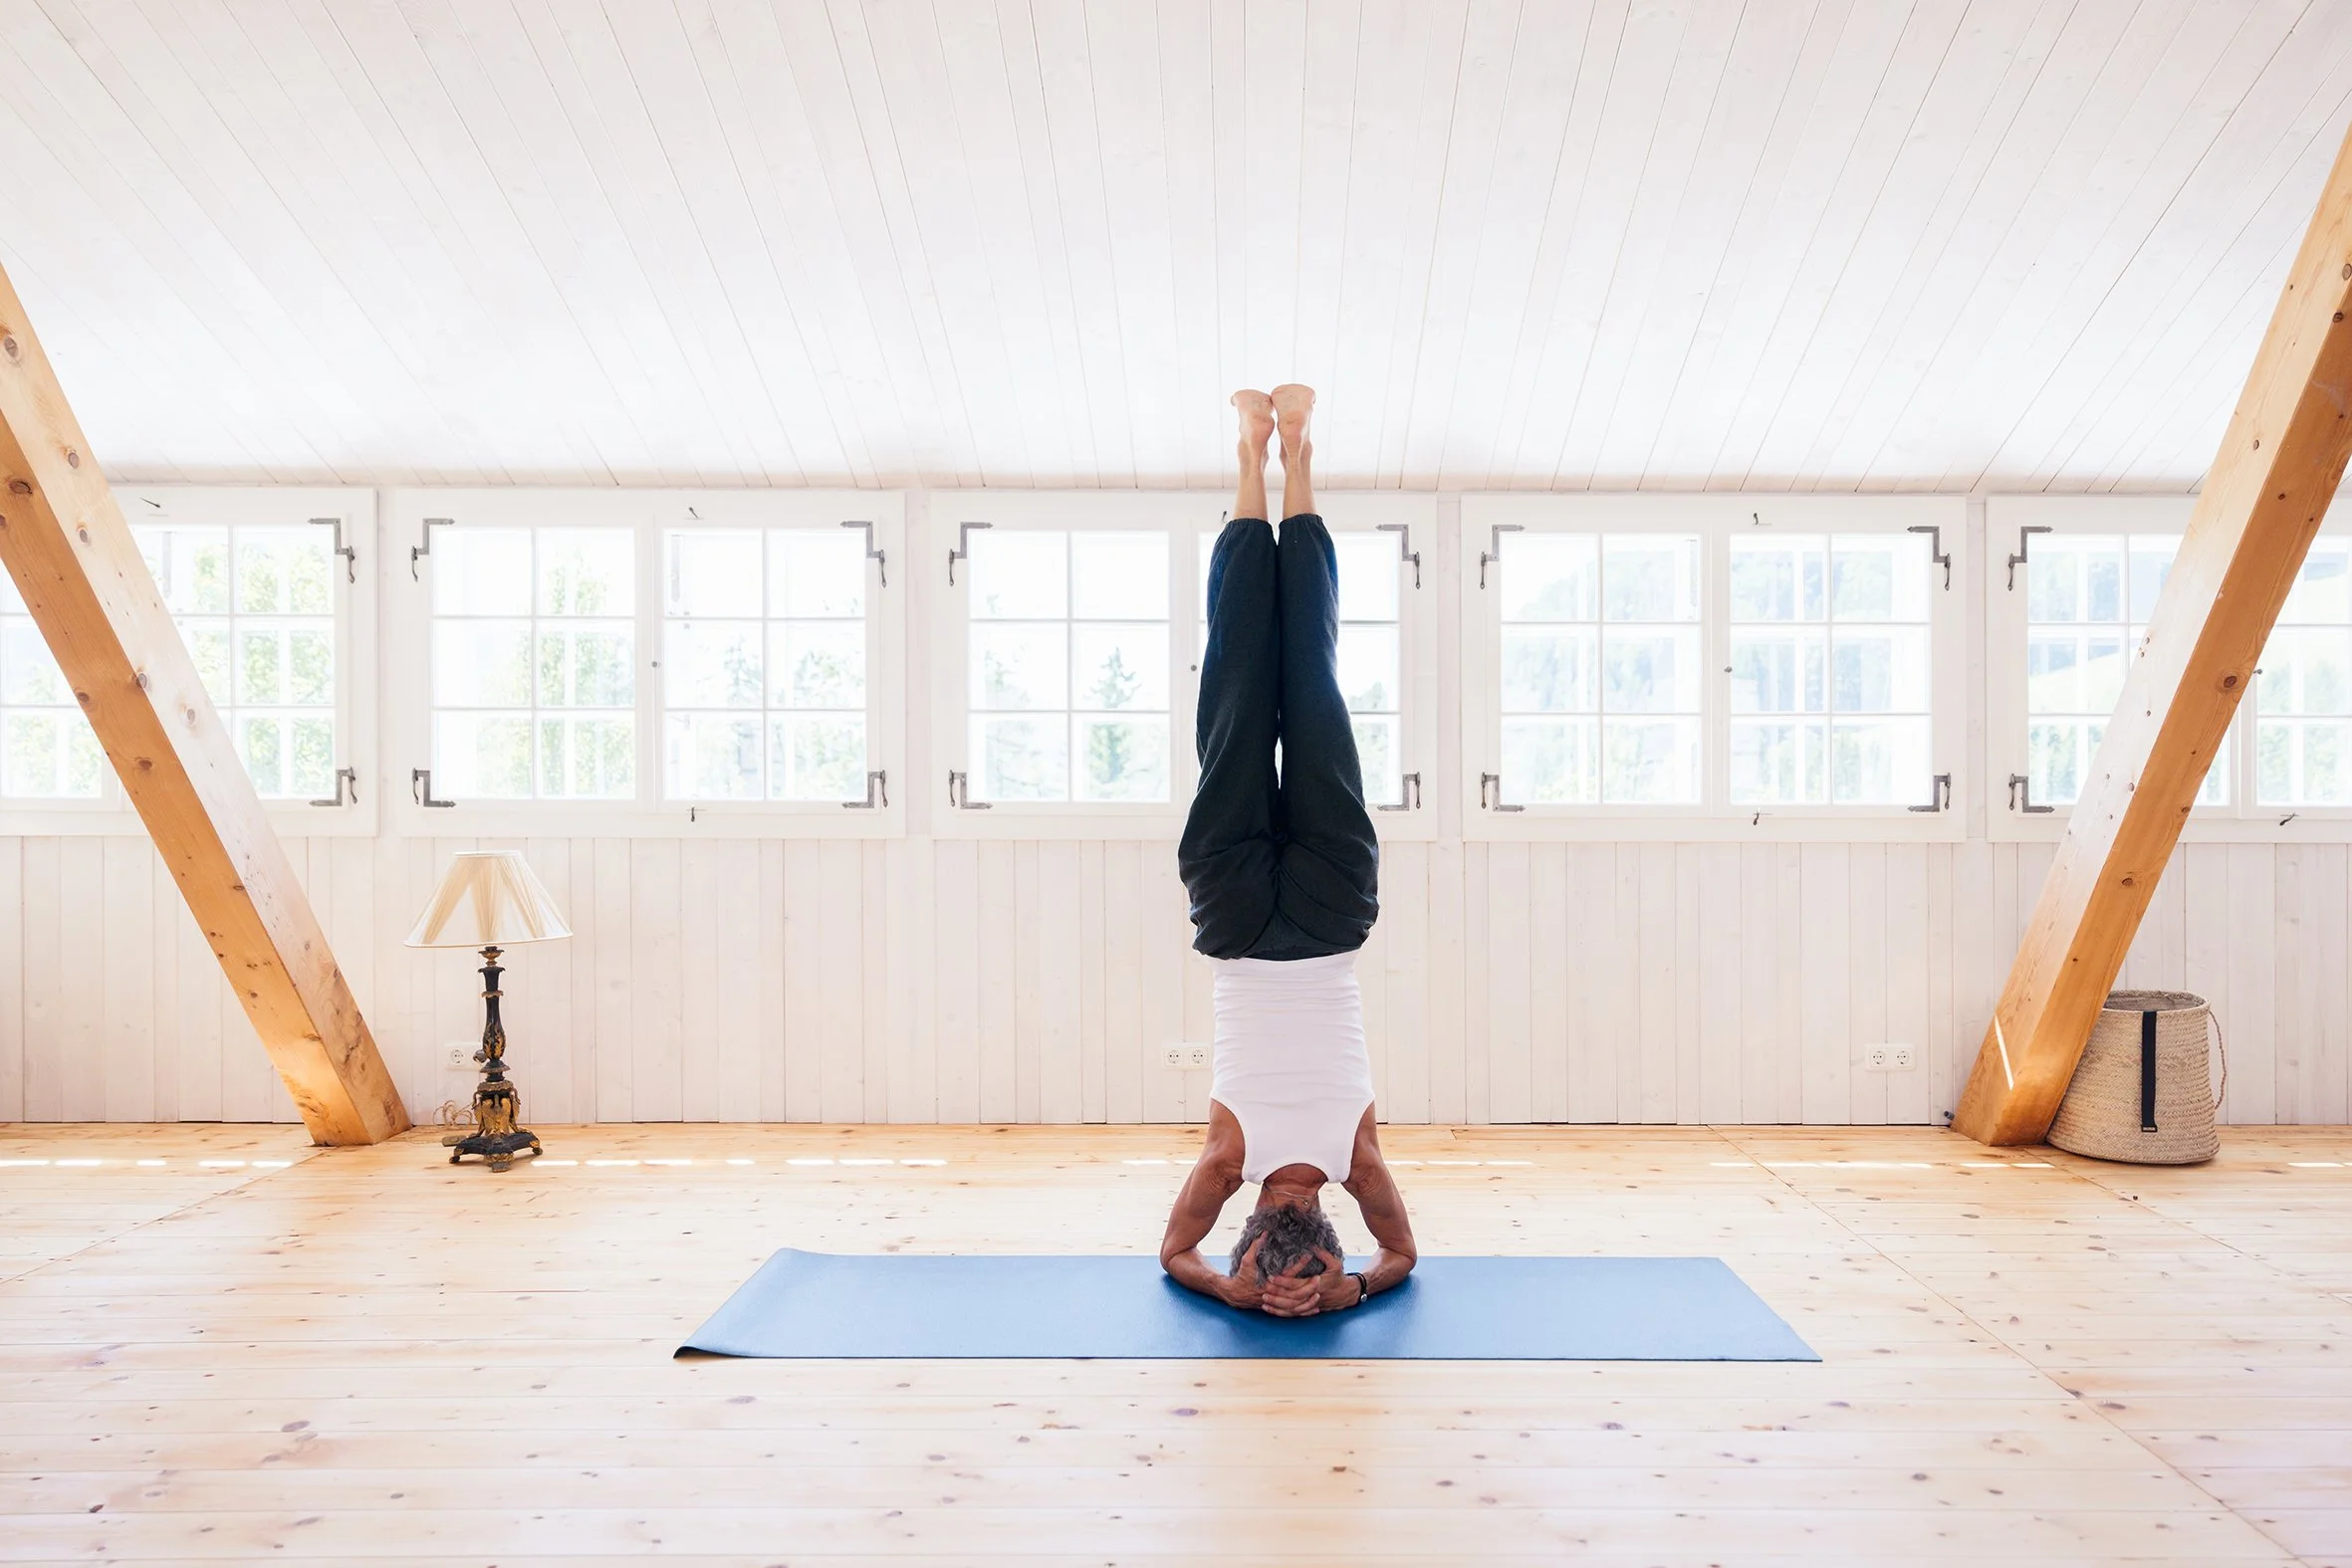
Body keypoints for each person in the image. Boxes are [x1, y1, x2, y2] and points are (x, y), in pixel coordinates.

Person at [1158, 383, 1418, 1318]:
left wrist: (1334, 1286)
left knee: (1276, 682)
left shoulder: (1291, 1163)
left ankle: (1270, 455)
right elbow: (1176, 1255)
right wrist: (1325, 1290)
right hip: (1280, 916)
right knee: (1273, 685)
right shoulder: (1290, 1164)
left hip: (1286, 915)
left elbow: (1175, 1251)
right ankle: (1276, 455)